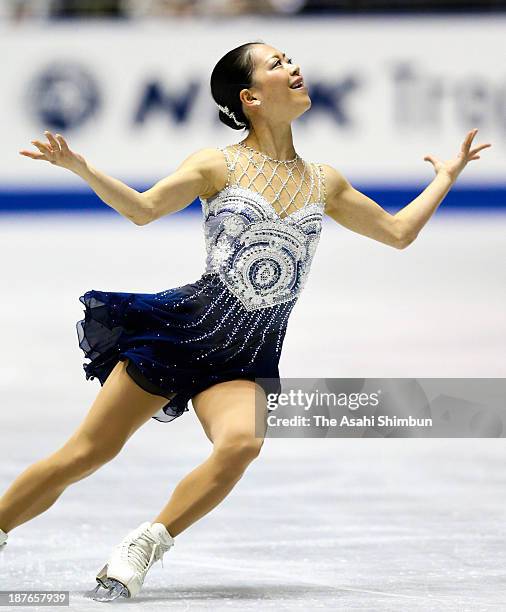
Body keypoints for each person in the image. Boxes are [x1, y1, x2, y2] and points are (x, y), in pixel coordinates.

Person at [1, 41, 491, 601]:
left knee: (242, 444)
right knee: (86, 453)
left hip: (246, 357)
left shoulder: (322, 181)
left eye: (290, 59)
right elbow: (143, 209)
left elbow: (399, 233)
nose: (294, 67)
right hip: (181, 334)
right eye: (277, 64)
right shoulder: (217, 164)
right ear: (251, 96)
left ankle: (145, 543)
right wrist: (82, 168)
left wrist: (445, 176)